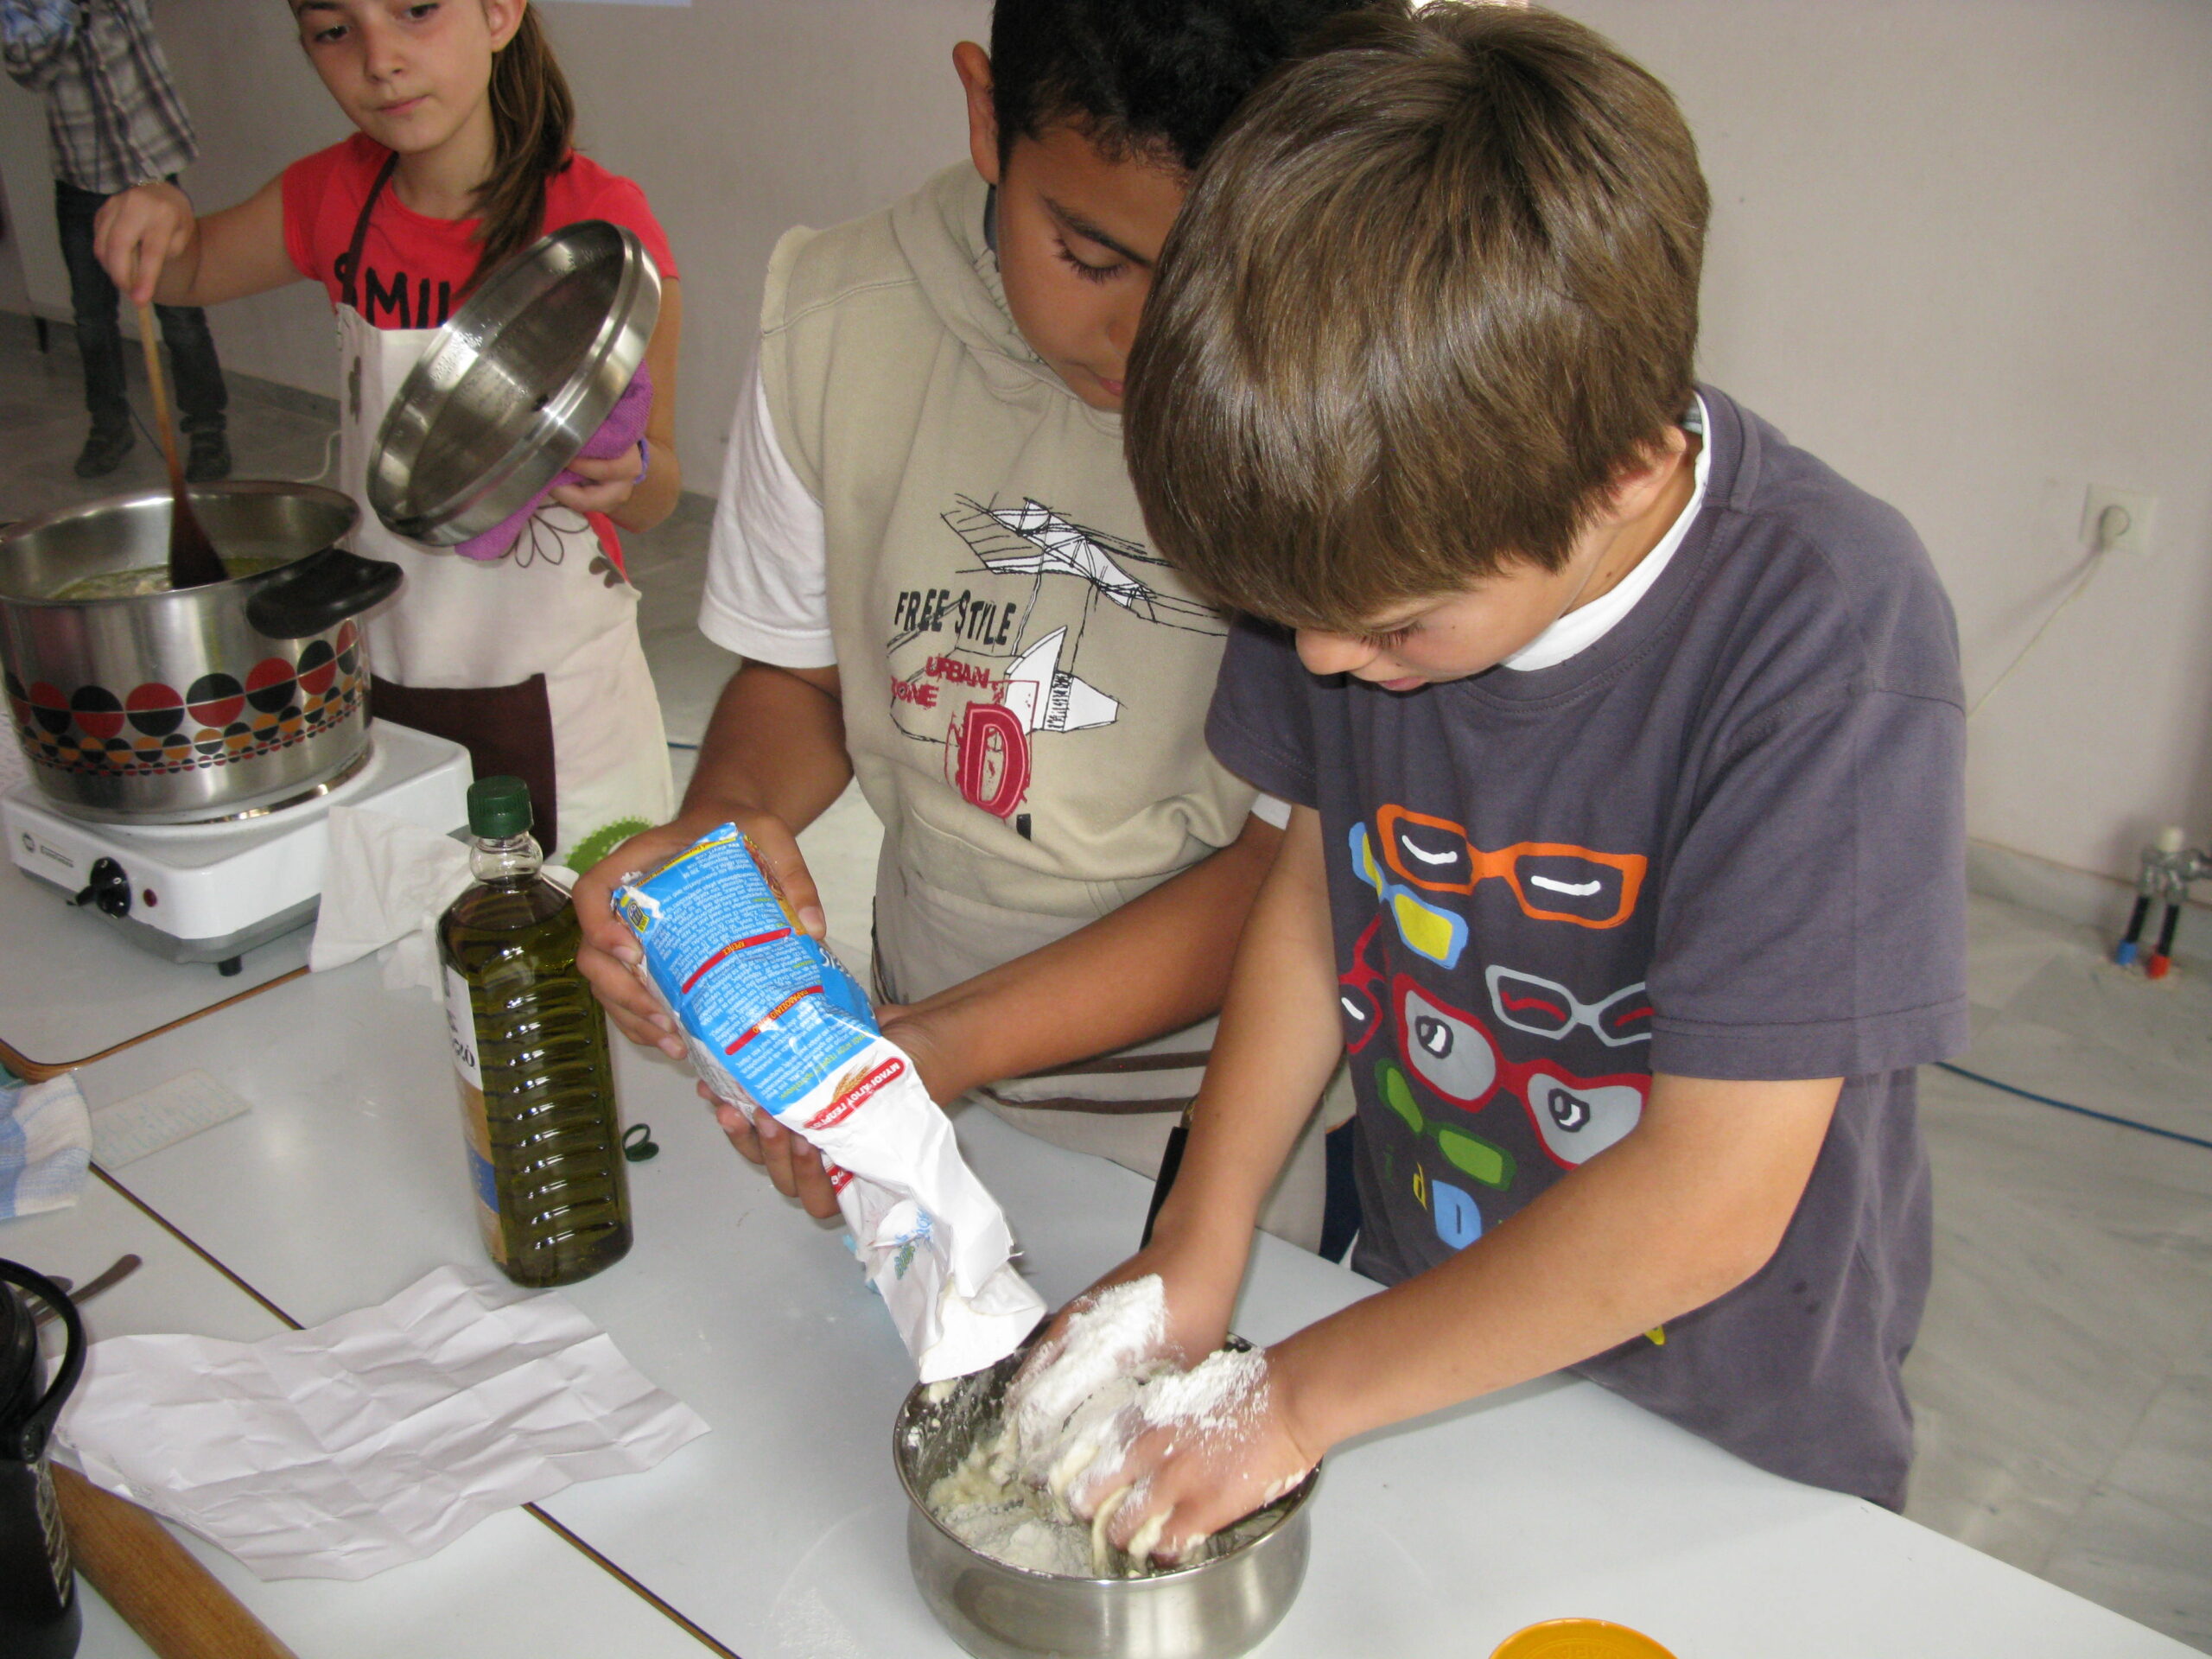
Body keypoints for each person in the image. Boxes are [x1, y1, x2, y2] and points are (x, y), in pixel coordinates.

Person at [1041, 3, 1970, 1560]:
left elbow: (1710, 1199)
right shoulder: (1351, 556)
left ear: (1622, 470)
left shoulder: (1829, 637)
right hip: (1417, 1319)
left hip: (1729, 1421)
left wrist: (1288, 1402)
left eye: (1396, 628)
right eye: (1294, 621)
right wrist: (1199, 1235)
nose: (1325, 662)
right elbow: (1319, 892)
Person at [573, 0, 1387, 1248]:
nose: (1146, 338)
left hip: (1223, 1122)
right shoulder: (838, 318)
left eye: (1220, 279)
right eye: (1092, 256)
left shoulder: (1343, 385)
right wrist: (725, 822)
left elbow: (1289, 872)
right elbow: (798, 679)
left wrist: (938, 1047)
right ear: (986, 113)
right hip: (924, 1029)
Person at [92, 0, 682, 868]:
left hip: (560, 689)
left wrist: (626, 473)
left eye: (416, 10)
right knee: (418, 904)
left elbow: (659, 493)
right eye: (336, 31)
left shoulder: (595, 230)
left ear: (497, 12)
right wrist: (158, 214)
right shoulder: (333, 194)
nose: (380, 60)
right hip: (383, 659)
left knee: (579, 915)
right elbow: (188, 269)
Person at [1, 0, 231, 480]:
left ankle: (207, 431)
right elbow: (28, 71)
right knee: (91, 317)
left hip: (151, 165)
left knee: (180, 311)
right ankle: (109, 428)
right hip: (81, 175)